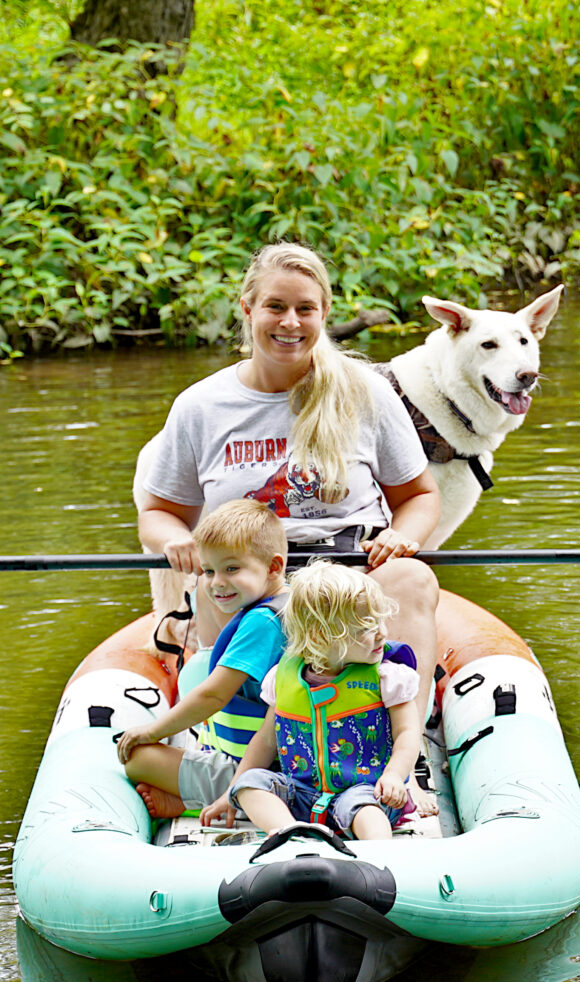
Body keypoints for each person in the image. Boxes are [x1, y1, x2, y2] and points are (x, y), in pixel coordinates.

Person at [135, 241, 442, 672]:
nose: (290, 322)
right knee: (217, 591)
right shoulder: (199, 405)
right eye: (275, 306)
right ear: (248, 309)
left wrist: (402, 536)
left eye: (305, 309)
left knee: (413, 578)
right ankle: (233, 730)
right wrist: (173, 540)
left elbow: (418, 496)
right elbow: (158, 513)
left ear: (324, 314)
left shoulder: (366, 392)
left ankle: (407, 735)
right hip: (248, 578)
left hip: (353, 569)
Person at [205, 564, 423, 842]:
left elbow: (407, 733)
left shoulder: (387, 676)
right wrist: (230, 792)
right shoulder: (283, 678)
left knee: (364, 809)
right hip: (301, 793)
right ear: (320, 637)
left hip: (366, 790)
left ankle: (378, 854)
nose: (381, 632)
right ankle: (287, 834)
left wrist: (393, 776)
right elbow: (266, 741)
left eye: (379, 620)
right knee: (250, 784)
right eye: (367, 626)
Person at [115, 499, 289, 814]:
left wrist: (153, 731)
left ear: (274, 567)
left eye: (231, 568)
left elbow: (214, 694)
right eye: (208, 571)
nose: (217, 582)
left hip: (263, 770)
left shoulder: (262, 623)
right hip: (282, 760)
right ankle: (196, 797)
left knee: (139, 760)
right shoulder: (288, 604)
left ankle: (198, 802)